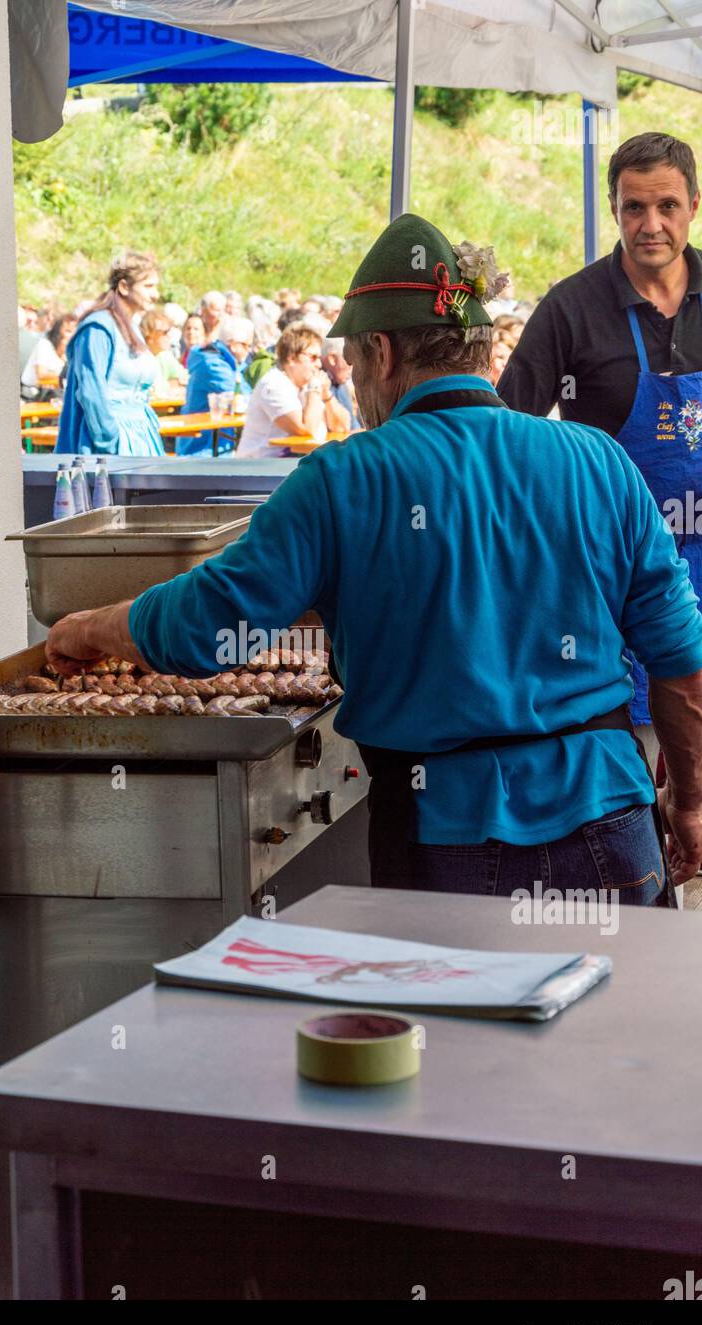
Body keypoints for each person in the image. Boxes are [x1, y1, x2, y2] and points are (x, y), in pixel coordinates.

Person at [46, 213, 702, 904]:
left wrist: (86, 628)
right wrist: (689, 803)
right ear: (481, 352)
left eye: (354, 362)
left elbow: (203, 628)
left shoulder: (342, 479)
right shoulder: (600, 461)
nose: (354, 383)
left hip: (448, 840)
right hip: (614, 825)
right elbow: (683, 671)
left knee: (449, 1018)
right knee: (618, 1016)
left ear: (383, 355)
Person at [497, 131, 702, 766]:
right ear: (613, 208)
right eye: (633, 207)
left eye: (666, 206)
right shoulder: (571, 308)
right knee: (641, 771)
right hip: (619, 582)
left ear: (694, 205)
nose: (650, 225)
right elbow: (506, 433)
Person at [55, 250, 165, 457]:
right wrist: (110, 441)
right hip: (109, 445)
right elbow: (91, 392)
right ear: (124, 286)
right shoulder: (98, 328)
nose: (155, 294)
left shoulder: (131, 327)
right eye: (148, 286)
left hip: (141, 437)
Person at [235, 323, 338, 458]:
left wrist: (327, 396)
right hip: (259, 470)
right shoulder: (273, 384)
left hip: (288, 465)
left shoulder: (307, 384)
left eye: (319, 358)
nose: (319, 364)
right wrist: (314, 390)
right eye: (313, 357)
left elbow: (341, 427)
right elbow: (306, 429)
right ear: (292, 358)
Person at [176, 316, 254, 456]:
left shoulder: (222, 360)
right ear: (234, 344)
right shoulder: (213, 364)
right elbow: (241, 396)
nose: (250, 350)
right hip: (201, 447)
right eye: (247, 345)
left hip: (214, 442)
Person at [21, 313, 77, 395]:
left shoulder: (71, 349)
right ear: (57, 330)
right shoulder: (45, 345)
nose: (72, 336)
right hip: (33, 393)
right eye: (68, 331)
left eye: (74, 331)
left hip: (55, 392)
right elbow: (41, 374)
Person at [140, 309, 188, 390]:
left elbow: (185, 378)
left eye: (169, 331)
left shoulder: (164, 355)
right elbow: (149, 390)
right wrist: (172, 384)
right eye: (165, 332)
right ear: (149, 336)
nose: (169, 336)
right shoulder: (138, 359)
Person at [322, 335, 362, 429]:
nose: (352, 369)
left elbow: (353, 426)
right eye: (349, 361)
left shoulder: (340, 382)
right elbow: (343, 427)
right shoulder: (320, 382)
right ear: (332, 359)